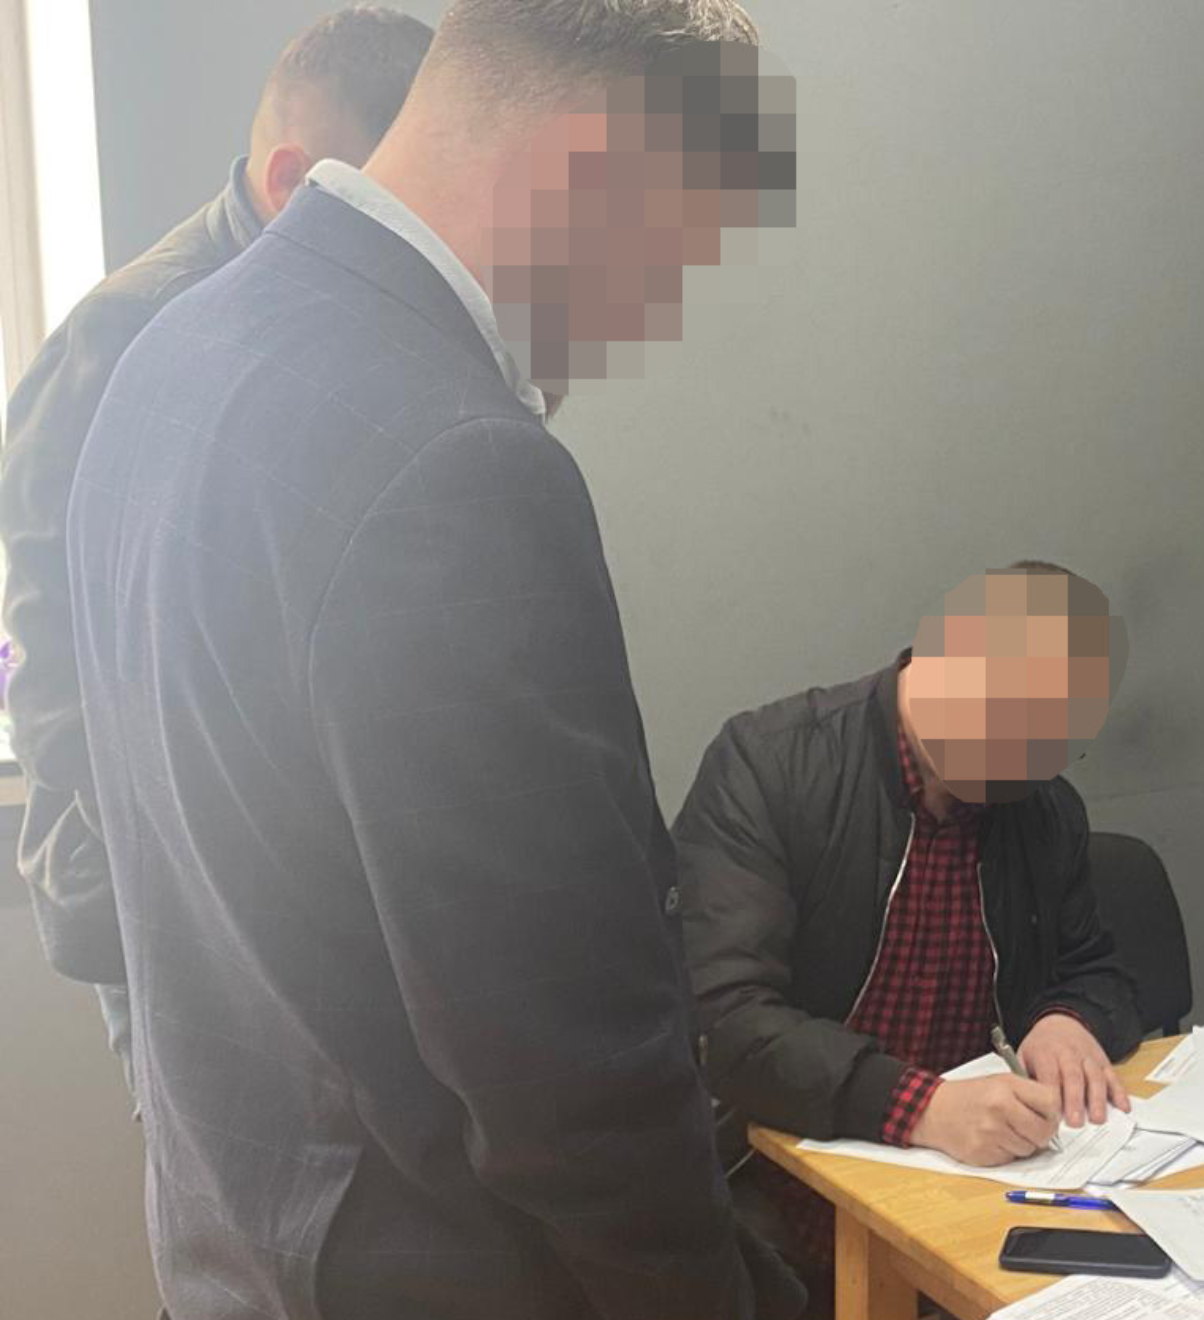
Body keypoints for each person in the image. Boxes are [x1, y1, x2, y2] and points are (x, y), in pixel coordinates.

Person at [61, 2, 800, 1317]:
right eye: (673, 245)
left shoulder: (166, 351)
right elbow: (566, 1071)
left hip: (235, 1246)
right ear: (594, 163)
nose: (656, 313)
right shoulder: (458, 464)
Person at [0, 3, 434, 1094]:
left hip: (288, 883)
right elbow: (40, 646)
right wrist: (165, 859)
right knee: (226, 1169)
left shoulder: (318, 312)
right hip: (163, 896)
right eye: (385, 207)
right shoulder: (122, 334)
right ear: (291, 180)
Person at [676, 560, 1141, 1299]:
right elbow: (725, 1021)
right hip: (786, 1184)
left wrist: (1067, 1017)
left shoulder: (1040, 809)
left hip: (979, 1187)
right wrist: (923, 1108)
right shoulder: (771, 766)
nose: (1021, 762)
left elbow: (1095, 967)